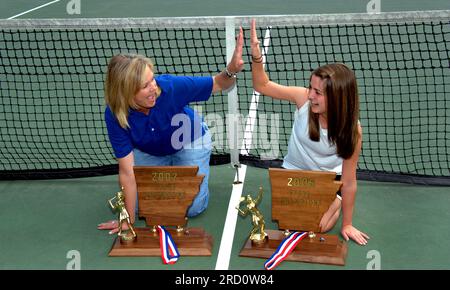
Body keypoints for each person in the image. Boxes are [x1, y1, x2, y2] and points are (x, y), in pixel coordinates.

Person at [98, 27, 244, 235]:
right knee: (140, 208)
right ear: (126, 92)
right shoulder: (115, 114)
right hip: (150, 151)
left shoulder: (170, 87)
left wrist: (231, 69)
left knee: (191, 208)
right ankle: (171, 171)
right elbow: (127, 172)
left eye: (152, 79)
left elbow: (219, 83)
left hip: (189, 140)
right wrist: (127, 220)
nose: (153, 87)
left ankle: (190, 175)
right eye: (144, 85)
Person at [249, 19, 369, 245]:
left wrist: (347, 223)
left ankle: (335, 200)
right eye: (311, 88)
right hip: (293, 173)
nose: (311, 95)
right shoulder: (303, 99)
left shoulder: (353, 131)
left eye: (318, 92)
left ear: (337, 98)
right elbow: (262, 86)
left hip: (329, 179)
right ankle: (326, 201)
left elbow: (350, 180)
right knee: (288, 223)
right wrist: (257, 57)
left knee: (320, 227)